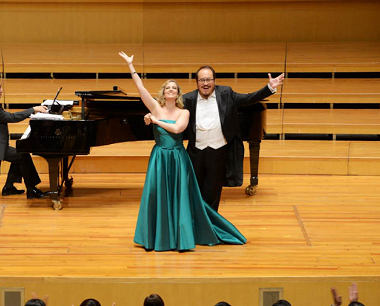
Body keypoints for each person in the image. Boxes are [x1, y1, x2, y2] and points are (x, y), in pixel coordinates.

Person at [119, 51, 247, 252]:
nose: (170, 90)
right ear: (163, 92)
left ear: (178, 93)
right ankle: (159, 237)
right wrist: (130, 66)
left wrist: (154, 120)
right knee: (157, 196)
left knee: (180, 197)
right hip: (159, 158)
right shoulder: (154, 107)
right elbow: (141, 88)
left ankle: (184, 234)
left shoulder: (184, 111)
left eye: (174, 88)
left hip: (179, 159)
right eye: (168, 87)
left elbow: (177, 129)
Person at [147, 66, 284, 211]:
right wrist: (150, 116)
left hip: (218, 152)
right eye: (202, 80)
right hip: (196, 153)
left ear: (214, 80)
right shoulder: (188, 99)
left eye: (209, 80)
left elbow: (250, 98)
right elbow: (166, 109)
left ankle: (211, 227)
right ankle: (196, 225)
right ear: (196, 82)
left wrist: (270, 87)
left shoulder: (227, 94)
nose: (205, 83)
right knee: (194, 191)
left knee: (213, 193)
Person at [0, 76, 48, 199]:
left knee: (19, 155)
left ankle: (9, 187)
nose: (1, 91)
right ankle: (31, 189)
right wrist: (33, 109)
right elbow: (11, 117)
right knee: (22, 155)